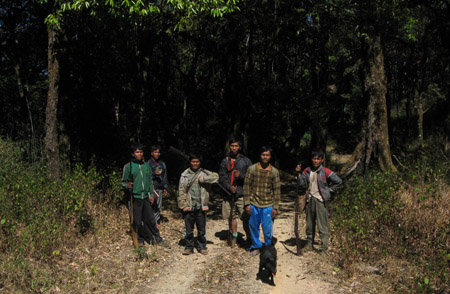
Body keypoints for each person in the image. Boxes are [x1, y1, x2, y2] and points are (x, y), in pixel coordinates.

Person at [121, 142, 169, 248]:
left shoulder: (146, 166)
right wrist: (127, 185)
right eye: (137, 152)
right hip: (135, 198)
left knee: (150, 220)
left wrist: (151, 194)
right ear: (133, 154)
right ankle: (139, 239)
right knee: (137, 221)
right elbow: (123, 182)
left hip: (146, 197)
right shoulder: (128, 167)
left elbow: (149, 182)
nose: (140, 154)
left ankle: (157, 239)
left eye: (141, 152)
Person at [295, 149, 342, 253]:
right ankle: (309, 244)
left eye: (318, 159)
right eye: (314, 158)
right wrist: (298, 174)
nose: (315, 161)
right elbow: (302, 184)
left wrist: (329, 191)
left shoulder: (325, 171)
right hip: (309, 200)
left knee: (322, 225)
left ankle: (324, 247)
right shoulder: (307, 171)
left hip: (320, 200)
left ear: (321, 160)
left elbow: (338, 181)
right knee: (309, 225)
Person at [177, 154, 219, 255]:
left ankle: (202, 246)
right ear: (190, 162)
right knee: (188, 230)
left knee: (201, 229)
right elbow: (181, 190)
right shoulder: (185, 174)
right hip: (189, 205)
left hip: (201, 206)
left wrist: (204, 179)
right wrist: (183, 205)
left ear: (200, 162)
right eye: (193, 162)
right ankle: (189, 247)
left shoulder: (204, 172)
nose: (195, 164)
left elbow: (216, 177)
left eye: (197, 162)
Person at [243, 146, 281, 255]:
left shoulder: (274, 171)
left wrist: (276, 207)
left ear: (270, 157)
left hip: (268, 205)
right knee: (253, 226)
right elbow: (246, 187)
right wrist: (247, 204)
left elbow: (277, 190)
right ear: (260, 156)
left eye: (267, 155)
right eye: (263, 155)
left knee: (267, 228)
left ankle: (268, 246)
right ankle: (256, 246)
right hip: (254, 203)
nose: (265, 157)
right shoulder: (252, 169)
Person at [219, 138, 252, 247]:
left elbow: (251, 177)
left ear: (240, 147)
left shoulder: (246, 161)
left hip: (241, 193)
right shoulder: (225, 161)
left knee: (246, 217)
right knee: (231, 217)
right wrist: (229, 187)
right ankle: (234, 236)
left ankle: (249, 238)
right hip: (228, 194)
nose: (234, 148)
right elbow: (222, 177)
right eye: (232, 146)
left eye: (236, 146)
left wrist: (241, 176)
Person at [148, 145, 169, 224]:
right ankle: (150, 221)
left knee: (158, 205)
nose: (157, 154)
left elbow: (165, 176)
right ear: (152, 153)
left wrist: (165, 187)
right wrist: (154, 174)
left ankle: (156, 221)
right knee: (150, 204)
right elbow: (146, 176)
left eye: (158, 152)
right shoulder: (148, 163)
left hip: (160, 187)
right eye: (155, 152)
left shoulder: (162, 163)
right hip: (151, 188)